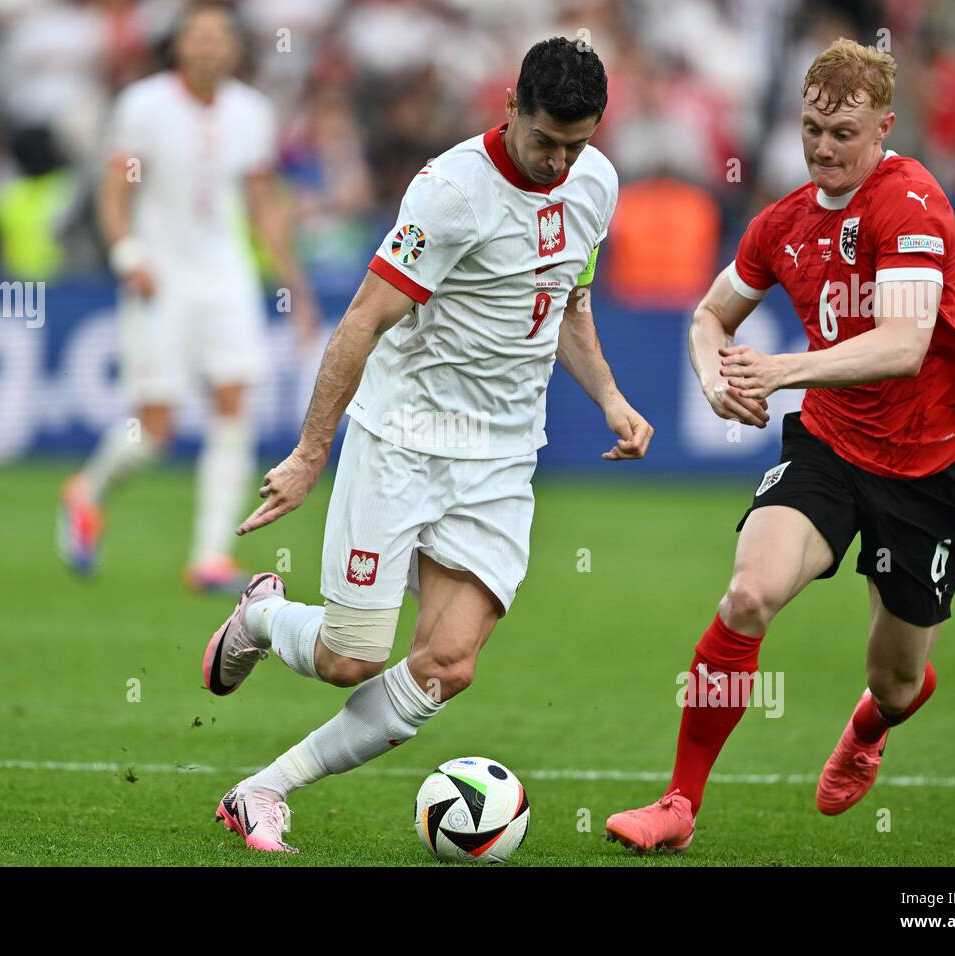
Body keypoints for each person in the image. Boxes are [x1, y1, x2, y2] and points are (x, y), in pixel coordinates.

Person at [202, 37, 653, 853]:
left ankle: (263, 789)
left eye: (576, 144)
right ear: (509, 108)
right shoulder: (448, 194)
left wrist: (613, 398)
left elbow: (567, 306)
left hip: (504, 456)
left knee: (447, 665)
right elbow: (363, 320)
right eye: (545, 139)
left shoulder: (598, 183)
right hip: (404, 438)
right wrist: (310, 453)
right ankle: (263, 617)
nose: (558, 162)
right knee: (350, 658)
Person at [605, 38, 955, 854]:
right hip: (829, 446)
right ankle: (678, 804)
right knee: (748, 594)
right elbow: (708, 317)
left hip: (927, 463)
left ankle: (870, 725)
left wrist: (783, 368)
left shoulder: (912, 201)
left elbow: (903, 344)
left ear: (885, 128)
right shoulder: (781, 224)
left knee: (894, 680)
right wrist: (715, 379)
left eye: (844, 133)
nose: (823, 147)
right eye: (812, 128)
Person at [58, 1, 319, 593]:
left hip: (225, 277)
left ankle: (209, 558)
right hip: (162, 277)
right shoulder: (143, 105)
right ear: (177, 46)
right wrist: (129, 254)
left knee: (235, 406)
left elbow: (262, 204)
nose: (208, 47)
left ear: (233, 49)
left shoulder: (251, 112)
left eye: (218, 37)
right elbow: (116, 191)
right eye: (196, 37)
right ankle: (86, 490)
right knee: (155, 431)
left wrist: (293, 285)